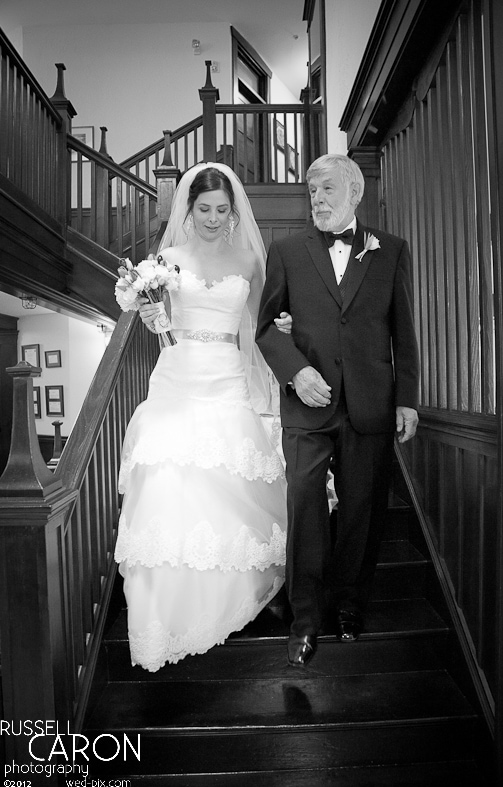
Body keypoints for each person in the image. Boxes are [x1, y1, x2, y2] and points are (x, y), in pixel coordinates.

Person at [114, 163, 289, 672]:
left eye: (221, 210)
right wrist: (152, 315)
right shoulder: (166, 259)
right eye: (203, 209)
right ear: (188, 210)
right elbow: (162, 320)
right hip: (178, 376)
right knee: (169, 484)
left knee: (227, 485)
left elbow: (259, 329)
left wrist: (276, 366)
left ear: (233, 212)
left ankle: (225, 599)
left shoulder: (251, 260)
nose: (213, 218)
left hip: (227, 377)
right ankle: (162, 616)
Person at [256, 154, 420, 667]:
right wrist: (296, 372)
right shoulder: (286, 251)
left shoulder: (390, 251)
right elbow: (265, 328)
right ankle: (304, 621)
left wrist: (408, 398)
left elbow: (403, 332)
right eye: (311, 192)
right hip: (307, 407)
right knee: (305, 504)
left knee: (362, 512)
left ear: (355, 193)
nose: (318, 200)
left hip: (370, 405)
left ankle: (350, 605)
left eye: (327, 190)